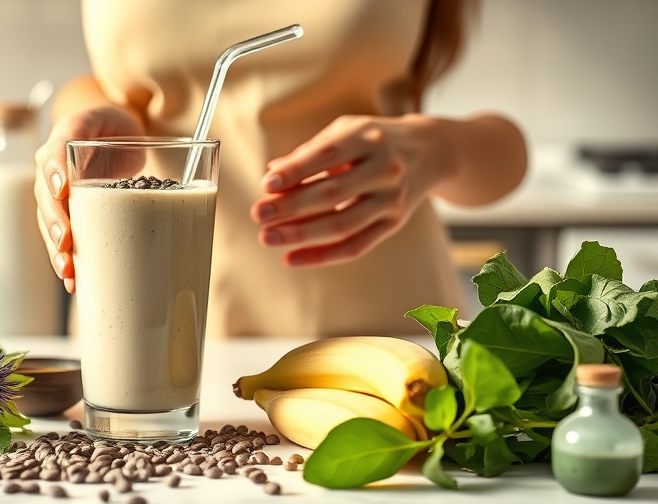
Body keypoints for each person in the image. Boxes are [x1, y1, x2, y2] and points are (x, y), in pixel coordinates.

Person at [34, 0, 527, 339]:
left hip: (387, 337)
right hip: (144, 322)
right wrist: (85, 125)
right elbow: (110, 84)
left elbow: (511, 157)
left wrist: (438, 149)